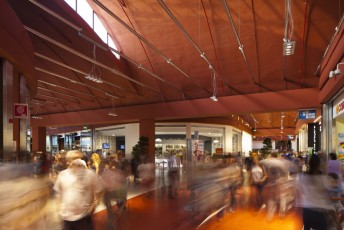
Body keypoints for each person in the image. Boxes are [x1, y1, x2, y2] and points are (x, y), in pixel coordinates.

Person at [53, 150, 103, 230]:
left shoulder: (90, 174)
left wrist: (91, 209)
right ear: (68, 161)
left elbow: (98, 191)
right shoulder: (63, 175)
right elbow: (58, 194)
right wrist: (59, 209)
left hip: (84, 218)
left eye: (79, 158)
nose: (77, 160)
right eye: (74, 158)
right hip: (67, 217)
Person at [297, 154, 332, 230]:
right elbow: (324, 191)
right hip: (318, 209)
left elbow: (301, 191)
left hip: (306, 209)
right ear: (319, 164)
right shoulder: (322, 177)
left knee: (307, 227)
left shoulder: (303, 176)